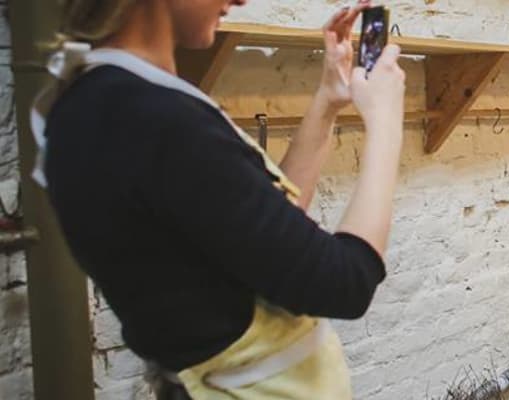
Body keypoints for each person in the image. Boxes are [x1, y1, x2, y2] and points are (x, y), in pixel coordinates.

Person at [31, 0, 406, 398]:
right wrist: (385, 122)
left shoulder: (104, 101)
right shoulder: (152, 117)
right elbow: (343, 283)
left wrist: (328, 101)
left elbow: (269, 236)